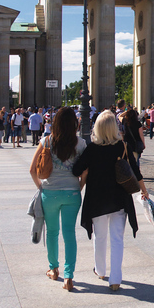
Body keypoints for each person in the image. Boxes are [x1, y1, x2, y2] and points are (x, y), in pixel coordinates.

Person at [72, 110, 148, 291]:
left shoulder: (91, 149)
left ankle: (99, 270)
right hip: (119, 198)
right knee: (117, 238)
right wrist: (144, 191)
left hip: (98, 199)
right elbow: (135, 173)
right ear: (115, 128)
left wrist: (87, 171)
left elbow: (76, 170)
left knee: (100, 236)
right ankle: (115, 278)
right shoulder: (122, 147)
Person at [30, 107, 86, 291]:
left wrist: (41, 187)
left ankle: (54, 269)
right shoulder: (80, 144)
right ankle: (68, 277)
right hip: (72, 193)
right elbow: (86, 171)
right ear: (74, 124)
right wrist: (79, 187)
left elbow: (32, 170)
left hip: (50, 193)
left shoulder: (46, 141)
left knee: (52, 232)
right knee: (69, 234)